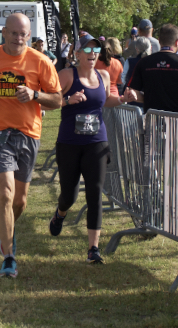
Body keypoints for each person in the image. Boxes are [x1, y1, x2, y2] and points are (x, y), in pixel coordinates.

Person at [0, 13, 62, 278]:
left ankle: (5, 231)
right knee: (5, 193)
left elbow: (57, 100)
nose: (18, 38)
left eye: (23, 34)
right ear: (4, 32)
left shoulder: (40, 62)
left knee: (19, 201)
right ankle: (9, 256)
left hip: (28, 133)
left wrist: (35, 95)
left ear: (29, 36)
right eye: (14, 33)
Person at [48, 34, 130, 264]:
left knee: (95, 192)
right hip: (70, 143)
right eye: (88, 50)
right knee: (69, 194)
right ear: (77, 54)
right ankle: (60, 213)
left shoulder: (103, 75)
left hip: (97, 142)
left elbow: (106, 101)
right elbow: (49, 101)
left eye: (96, 51)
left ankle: (93, 248)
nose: (93, 54)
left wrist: (123, 99)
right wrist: (67, 100)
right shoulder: (66, 75)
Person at [125, 24, 178, 114]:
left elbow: (133, 92)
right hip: (176, 120)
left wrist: (150, 98)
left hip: (152, 119)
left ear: (159, 41)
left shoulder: (143, 62)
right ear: (177, 42)